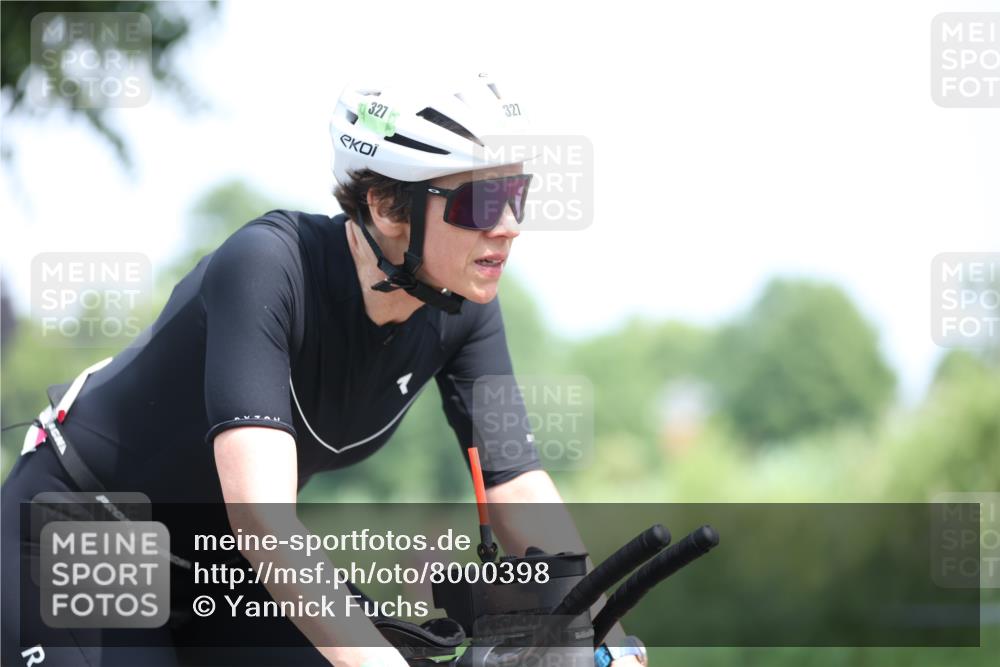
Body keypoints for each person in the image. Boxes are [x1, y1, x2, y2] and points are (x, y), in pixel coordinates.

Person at [1, 73, 645, 667]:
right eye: (481, 201)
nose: (509, 227)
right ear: (389, 207)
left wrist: (606, 636)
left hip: (218, 567)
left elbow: (519, 487)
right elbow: (263, 519)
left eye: (517, 195)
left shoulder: (467, 310)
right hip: (88, 532)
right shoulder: (267, 266)